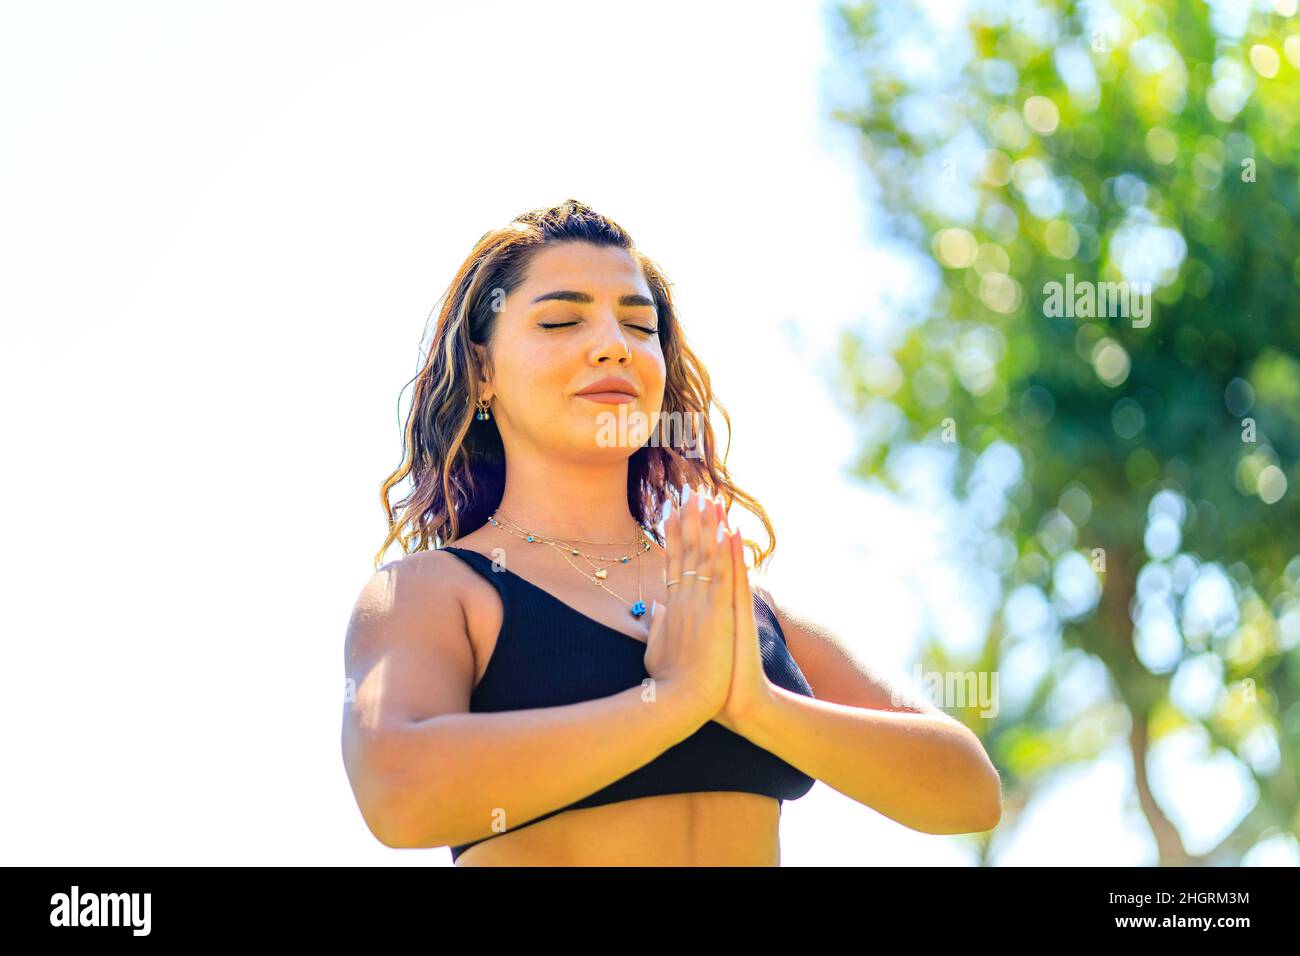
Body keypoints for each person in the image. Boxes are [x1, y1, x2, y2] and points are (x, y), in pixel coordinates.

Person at [341, 199, 1002, 865]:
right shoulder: (433, 593)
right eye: (562, 319)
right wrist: (673, 703)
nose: (613, 345)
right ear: (482, 371)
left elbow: (969, 793)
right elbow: (398, 792)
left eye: (638, 324)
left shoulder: (737, 601)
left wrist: (755, 706)